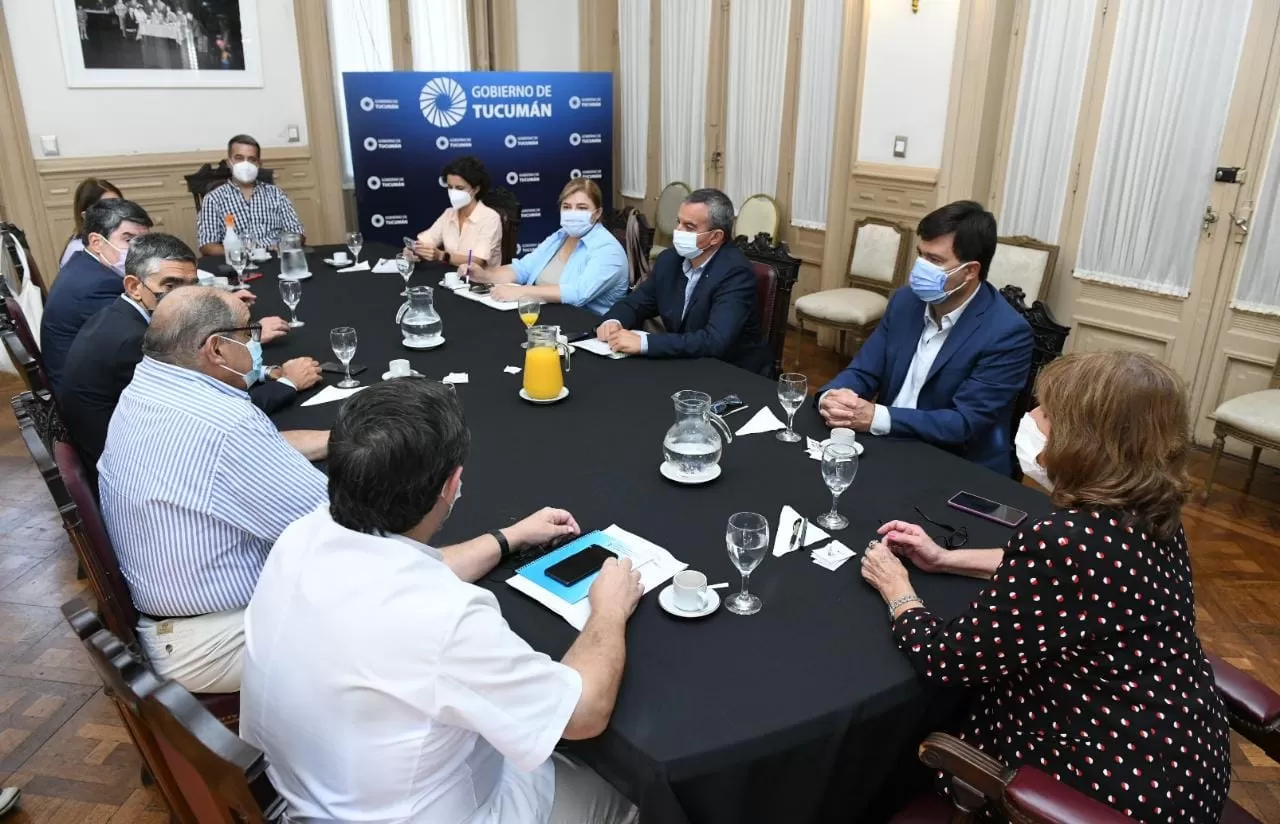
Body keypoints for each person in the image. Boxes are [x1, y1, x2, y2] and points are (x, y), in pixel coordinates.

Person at [241, 379, 641, 823]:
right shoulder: (446, 619)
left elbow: (396, 577)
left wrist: (507, 538)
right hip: (427, 811)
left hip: (313, 799)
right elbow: (583, 715)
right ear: (451, 484)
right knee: (628, 794)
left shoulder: (303, 534)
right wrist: (607, 611)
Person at [860, 350, 1231, 823]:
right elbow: (1075, 578)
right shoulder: (1152, 509)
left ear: (1087, 441)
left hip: (1105, 790)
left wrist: (898, 590)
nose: (1031, 418)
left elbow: (944, 660)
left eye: (1048, 414)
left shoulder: (1066, 540)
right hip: (1185, 760)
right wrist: (946, 557)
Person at [98, 286, 329, 694]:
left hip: (173, 621)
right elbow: (336, 526)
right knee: (393, 613)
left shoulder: (147, 389)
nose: (256, 345)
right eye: (249, 335)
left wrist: (346, 440)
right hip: (218, 641)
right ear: (217, 350)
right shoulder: (226, 423)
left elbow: (255, 453)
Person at [60, 234, 320, 469]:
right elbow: (212, 410)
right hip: (139, 465)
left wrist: (262, 372)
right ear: (133, 287)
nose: (185, 298)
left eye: (191, 285)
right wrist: (289, 383)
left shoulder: (122, 316)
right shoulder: (133, 341)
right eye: (171, 286)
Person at [817, 201, 1032, 475]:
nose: (921, 267)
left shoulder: (1007, 333)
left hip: (954, 465)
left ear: (970, 271)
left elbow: (965, 423)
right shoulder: (906, 301)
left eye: (935, 260)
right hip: (885, 445)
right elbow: (863, 370)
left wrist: (876, 417)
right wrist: (832, 396)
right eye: (921, 255)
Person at [594, 188, 770, 375]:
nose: (678, 231)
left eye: (690, 227)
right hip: (685, 363)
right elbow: (637, 302)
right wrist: (614, 321)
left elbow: (714, 340)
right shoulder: (669, 259)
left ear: (716, 237)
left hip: (732, 372)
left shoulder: (736, 273)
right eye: (679, 222)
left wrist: (644, 343)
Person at [466, 179, 628, 316]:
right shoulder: (561, 236)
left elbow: (579, 293)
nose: (573, 213)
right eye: (566, 207)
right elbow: (524, 269)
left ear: (597, 213)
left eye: (582, 208)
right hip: (542, 315)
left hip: (584, 329)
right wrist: (485, 276)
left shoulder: (608, 250)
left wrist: (522, 292)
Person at [42, 199, 153, 395]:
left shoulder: (82, 263)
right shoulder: (99, 285)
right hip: (88, 397)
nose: (140, 250)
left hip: (79, 379)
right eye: (128, 240)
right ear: (97, 242)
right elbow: (138, 340)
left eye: (143, 242)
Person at [197, 134, 306, 255]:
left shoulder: (276, 194)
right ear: (229, 162)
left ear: (259, 164)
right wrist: (241, 253)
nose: (245, 164)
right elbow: (207, 245)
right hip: (238, 263)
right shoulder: (213, 199)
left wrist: (284, 246)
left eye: (252, 159)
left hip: (276, 259)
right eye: (239, 158)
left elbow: (297, 233)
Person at [413, 155, 503, 269]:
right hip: (451, 279)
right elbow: (426, 240)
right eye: (450, 187)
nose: (453, 192)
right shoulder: (449, 213)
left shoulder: (490, 218)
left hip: (481, 283)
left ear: (476, 189)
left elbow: (478, 261)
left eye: (460, 188)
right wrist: (414, 250)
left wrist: (442, 256)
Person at [61, 178, 123, 266]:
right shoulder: (80, 250)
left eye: (119, 205)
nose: (117, 213)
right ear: (86, 216)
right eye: (106, 209)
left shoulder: (109, 236)